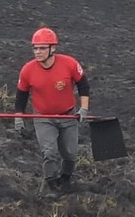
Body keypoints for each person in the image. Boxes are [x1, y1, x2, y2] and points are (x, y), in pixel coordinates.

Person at [14, 27, 90, 196]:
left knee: (70, 153)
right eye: (35, 48)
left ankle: (65, 179)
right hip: (43, 117)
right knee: (49, 152)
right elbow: (21, 95)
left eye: (42, 48)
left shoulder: (69, 63)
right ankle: (51, 183)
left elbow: (83, 85)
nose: (38, 52)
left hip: (68, 114)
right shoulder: (28, 70)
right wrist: (19, 116)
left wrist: (83, 109)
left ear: (52, 48)